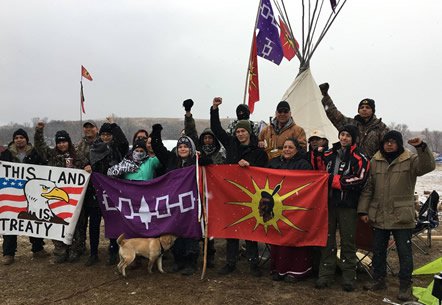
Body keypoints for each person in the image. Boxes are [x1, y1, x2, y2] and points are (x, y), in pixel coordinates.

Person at [358, 131, 436, 301]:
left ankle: (405, 285)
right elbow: (369, 188)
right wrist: (363, 210)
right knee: (378, 251)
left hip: (402, 216)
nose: (389, 145)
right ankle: (379, 280)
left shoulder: (410, 160)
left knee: (404, 252)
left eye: (393, 142)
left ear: (399, 144)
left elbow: (428, 166)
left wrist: (421, 147)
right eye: (387, 142)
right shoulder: (375, 160)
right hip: (379, 214)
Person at [210, 96, 268, 277]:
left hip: (251, 196)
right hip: (232, 193)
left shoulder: (258, 151)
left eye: (243, 131)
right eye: (238, 131)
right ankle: (230, 262)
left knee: (251, 230)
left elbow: (264, 173)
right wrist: (214, 109)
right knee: (232, 228)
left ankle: (253, 264)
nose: (240, 134)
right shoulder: (231, 144)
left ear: (249, 132)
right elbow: (216, 129)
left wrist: (249, 166)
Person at [315, 124, 370, 292]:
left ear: (353, 139)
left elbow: (359, 179)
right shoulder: (329, 153)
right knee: (327, 240)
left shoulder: (359, 157)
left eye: (348, 135)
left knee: (348, 242)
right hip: (329, 204)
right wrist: (316, 153)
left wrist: (334, 181)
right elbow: (318, 171)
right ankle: (325, 274)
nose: (344, 138)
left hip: (348, 206)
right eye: (342, 134)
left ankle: (348, 276)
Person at [150, 123, 200, 276]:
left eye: (186, 146)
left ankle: (191, 263)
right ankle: (178, 261)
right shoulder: (172, 160)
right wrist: (156, 132)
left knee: (190, 233)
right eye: (180, 147)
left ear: (191, 149)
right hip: (174, 204)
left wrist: (201, 157)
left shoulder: (196, 161)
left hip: (191, 205)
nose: (182, 149)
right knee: (175, 233)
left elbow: (209, 164)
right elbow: (158, 149)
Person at [34, 123, 87, 263]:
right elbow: (40, 146)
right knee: (57, 224)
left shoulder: (78, 156)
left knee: (77, 225)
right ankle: (60, 250)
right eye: (59, 142)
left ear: (68, 142)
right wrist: (39, 130)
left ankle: (76, 249)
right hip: (56, 199)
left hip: (74, 199)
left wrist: (87, 167)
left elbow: (87, 167)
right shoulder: (51, 155)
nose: (62, 144)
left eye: (64, 141)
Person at [183, 98, 225, 268]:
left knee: (210, 225)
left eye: (210, 138)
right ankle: (192, 254)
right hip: (196, 192)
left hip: (212, 195)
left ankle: (211, 253)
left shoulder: (219, 155)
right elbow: (191, 132)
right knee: (195, 223)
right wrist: (188, 114)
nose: (207, 141)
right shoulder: (197, 153)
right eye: (205, 138)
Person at [267, 138, 313, 282]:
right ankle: (279, 269)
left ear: (297, 150)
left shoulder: (303, 165)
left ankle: (296, 270)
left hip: (296, 207)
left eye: (290, 147)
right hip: (277, 207)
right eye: (285, 147)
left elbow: (307, 185)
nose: (287, 149)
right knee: (278, 237)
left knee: (294, 238)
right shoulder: (274, 163)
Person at [1, 128, 49, 265]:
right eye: (16, 138)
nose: (19, 140)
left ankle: (38, 248)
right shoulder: (6, 154)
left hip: (32, 192)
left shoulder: (34, 153)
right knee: (11, 222)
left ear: (26, 139)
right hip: (12, 193)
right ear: (13, 140)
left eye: (22, 137)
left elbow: (44, 167)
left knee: (34, 219)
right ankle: (8, 253)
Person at [90, 117, 129, 265]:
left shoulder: (117, 148)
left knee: (112, 222)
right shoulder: (94, 148)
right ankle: (93, 253)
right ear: (100, 135)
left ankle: (113, 251)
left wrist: (114, 126)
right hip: (96, 192)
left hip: (113, 192)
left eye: (108, 134)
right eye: (103, 134)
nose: (106, 137)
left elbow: (124, 142)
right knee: (94, 223)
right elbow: (90, 164)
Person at [319, 82, 388, 159]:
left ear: (373, 111)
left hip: (372, 167)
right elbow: (334, 115)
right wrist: (325, 96)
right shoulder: (350, 124)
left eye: (367, 107)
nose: (364, 109)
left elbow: (388, 148)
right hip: (351, 165)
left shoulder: (381, 128)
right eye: (362, 107)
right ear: (358, 110)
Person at [75, 120, 102, 266]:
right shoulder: (78, 146)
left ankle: (96, 251)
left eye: (91, 127)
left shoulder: (102, 143)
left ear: (96, 129)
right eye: (86, 128)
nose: (88, 130)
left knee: (96, 222)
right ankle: (81, 247)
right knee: (81, 222)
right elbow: (73, 162)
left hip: (99, 188)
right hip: (83, 189)